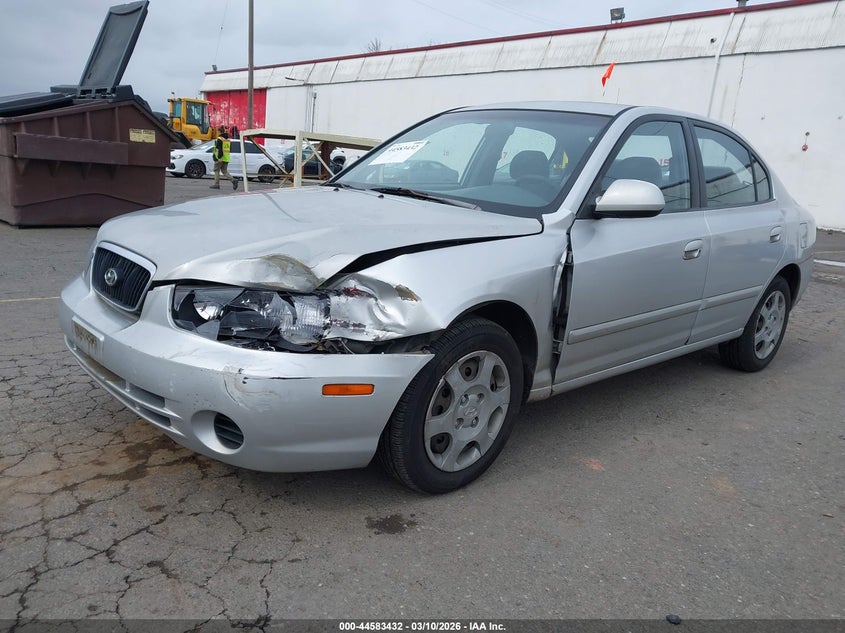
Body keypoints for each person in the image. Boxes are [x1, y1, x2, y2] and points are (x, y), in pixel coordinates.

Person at [210, 125, 238, 190]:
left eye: (218, 131)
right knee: (224, 171)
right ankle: (233, 180)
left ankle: (216, 184)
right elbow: (229, 149)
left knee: (216, 170)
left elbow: (219, 149)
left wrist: (219, 157)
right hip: (226, 158)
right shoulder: (228, 139)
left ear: (220, 131)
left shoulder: (220, 139)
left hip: (220, 158)